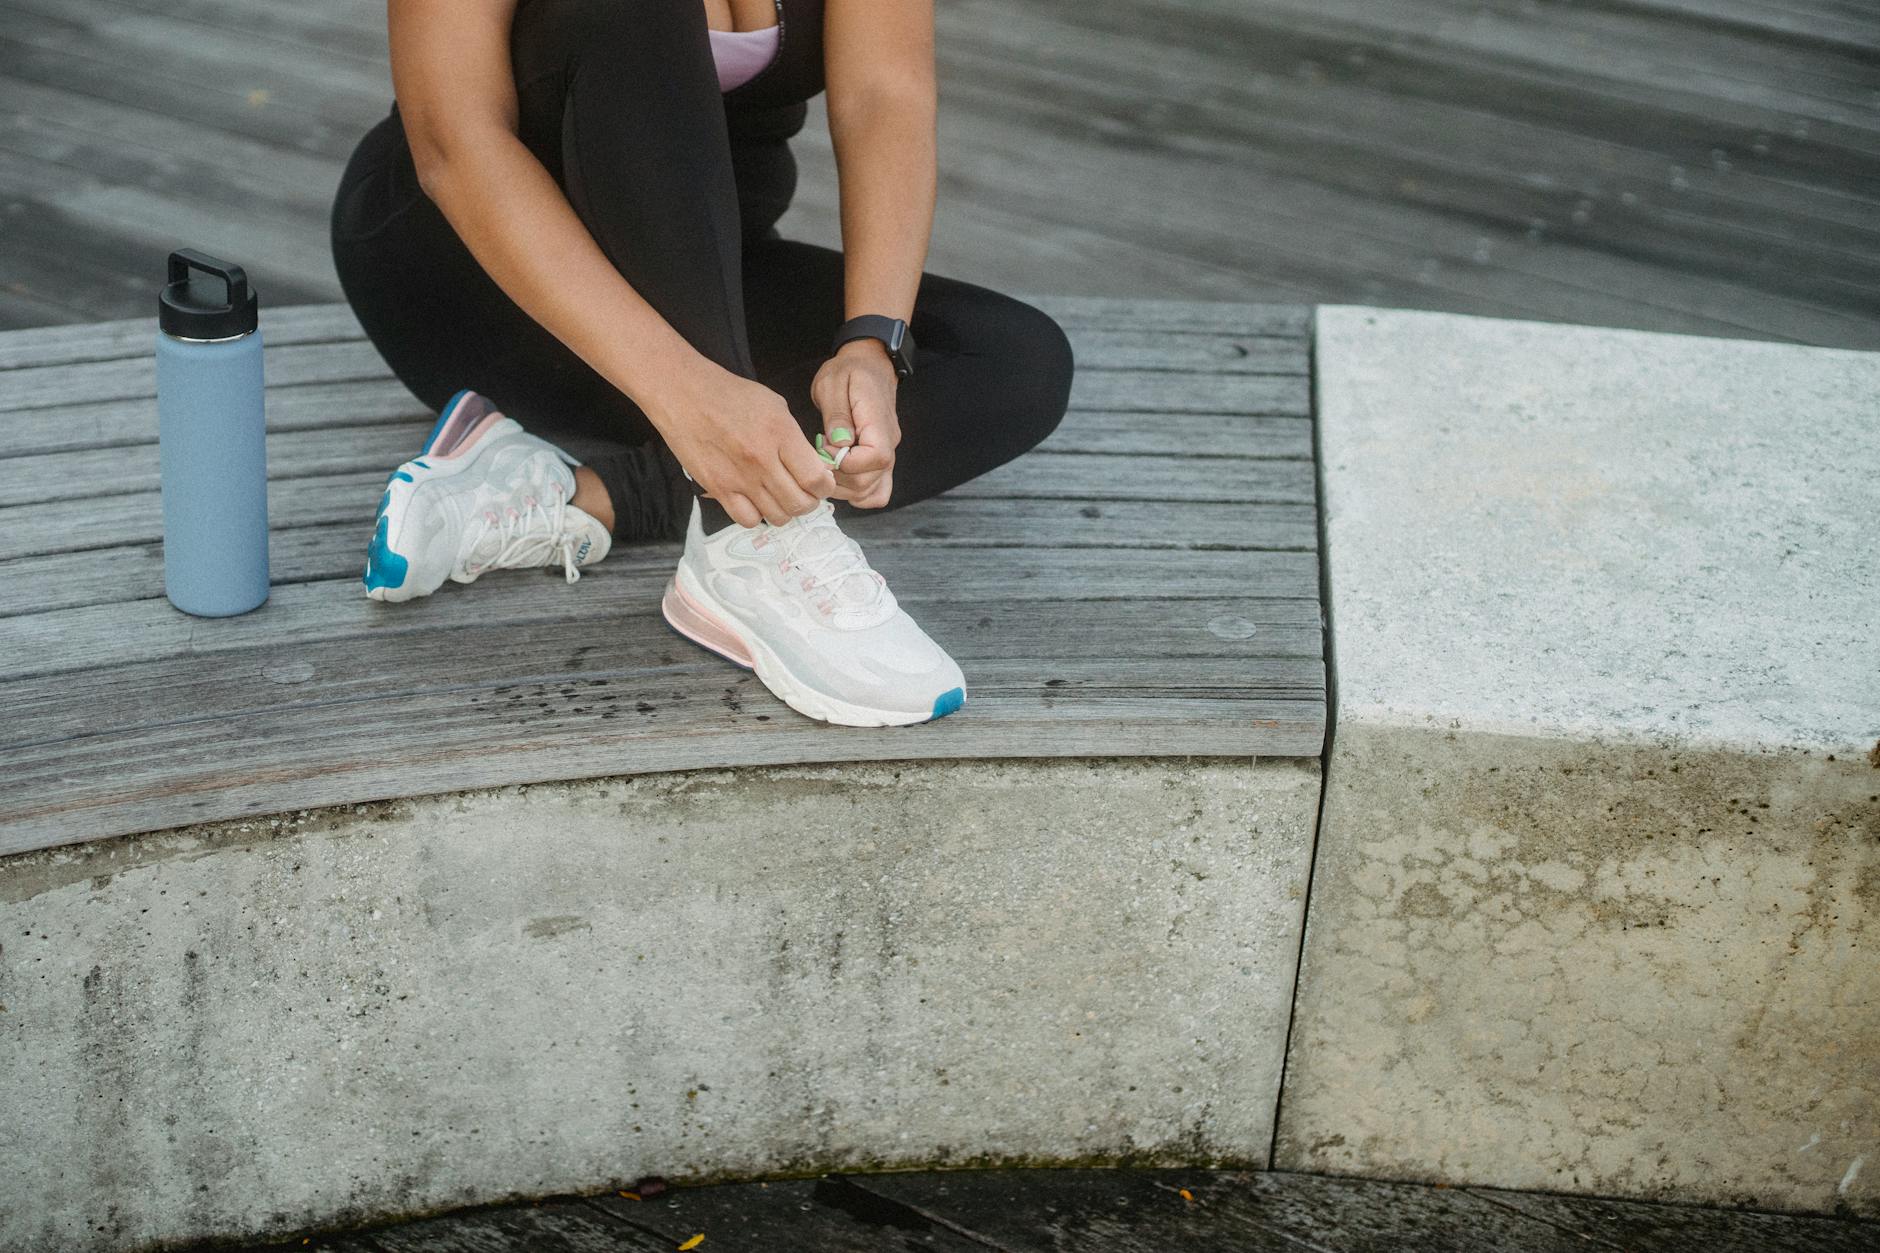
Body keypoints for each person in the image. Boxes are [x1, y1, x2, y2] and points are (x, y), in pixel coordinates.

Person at [329, 0, 1075, 726]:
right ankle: (745, 536)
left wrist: (871, 347)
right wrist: (687, 394)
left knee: (1014, 362)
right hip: (477, 281)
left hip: (700, 283)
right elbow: (456, 143)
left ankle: (586, 495)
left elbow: (885, 93)